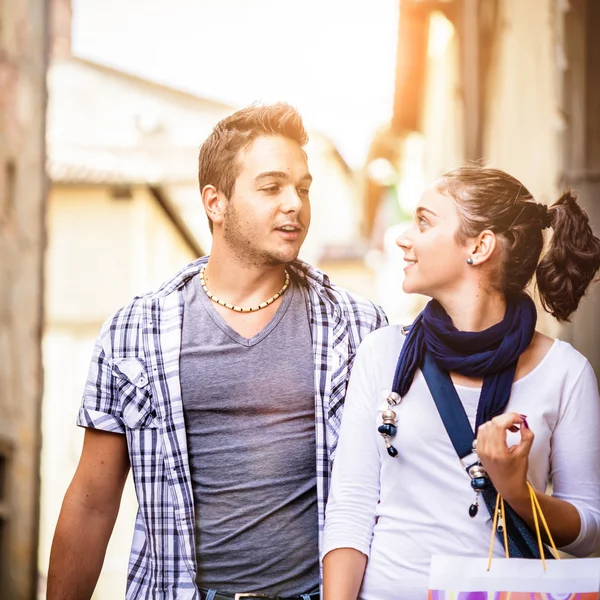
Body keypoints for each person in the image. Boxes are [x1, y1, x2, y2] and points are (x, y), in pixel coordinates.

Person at [47, 103, 387, 600]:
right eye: (271, 187)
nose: (294, 203)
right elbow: (92, 502)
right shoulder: (133, 332)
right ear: (215, 203)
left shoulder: (357, 327)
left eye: (303, 188)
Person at [322, 165, 600, 600]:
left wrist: (516, 491)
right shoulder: (382, 355)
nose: (402, 237)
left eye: (424, 221)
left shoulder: (566, 373)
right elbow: (350, 509)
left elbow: (588, 534)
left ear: (478, 245)